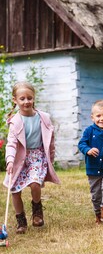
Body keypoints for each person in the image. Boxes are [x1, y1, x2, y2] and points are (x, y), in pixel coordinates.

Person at [3, 81, 60, 234]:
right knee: (15, 190)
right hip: (19, 159)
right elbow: (11, 143)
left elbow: (50, 141)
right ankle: (21, 221)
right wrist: (9, 160)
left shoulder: (43, 118)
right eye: (22, 99)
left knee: (35, 183)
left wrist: (51, 159)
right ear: (15, 100)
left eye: (29, 98)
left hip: (36, 156)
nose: (26, 101)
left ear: (34, 98)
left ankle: (37, 212)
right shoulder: (15, 121)